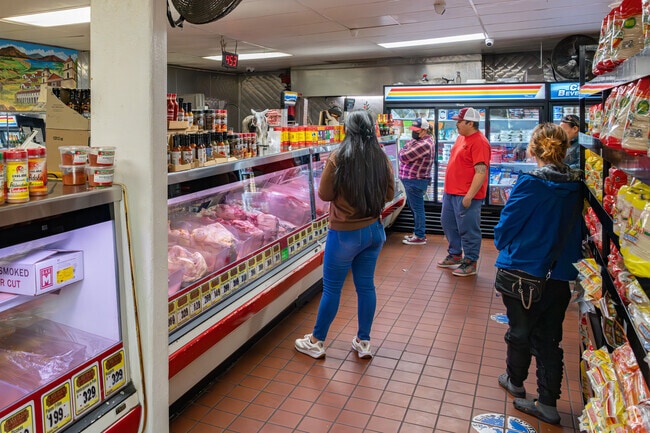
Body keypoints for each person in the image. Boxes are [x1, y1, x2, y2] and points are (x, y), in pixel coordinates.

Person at [494, 123, 583, 425]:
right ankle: (547, 403)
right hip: (559, 272)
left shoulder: (529, 183)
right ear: (565, 149)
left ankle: (515, 380)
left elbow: (507, 225)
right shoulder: (578, 183)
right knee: (549, 338)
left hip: (522, 269)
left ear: (532, 149)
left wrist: (502, 243)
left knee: (519, 331)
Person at [295, 109, 395, 359]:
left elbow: (325, 195)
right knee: (366, 286)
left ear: (347, 130)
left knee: (332, 289)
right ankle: (363, 341)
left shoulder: (339, 156)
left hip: (344, 235)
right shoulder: (380, 156)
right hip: (374, 231)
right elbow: (390, 194)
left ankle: (316, 341)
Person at [438, 107, 490, 276]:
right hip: (451, 192)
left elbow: (481, 172)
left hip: (466, 195)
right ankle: (454, 254)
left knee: (468, 229)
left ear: (470, 123)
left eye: (459, 121)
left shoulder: (479, 142)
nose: (456, 124)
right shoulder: (461, 138)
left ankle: (470, 262)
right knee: (448, 224)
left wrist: (469, 196)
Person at [398, 117, 435, 245]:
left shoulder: (425, 144)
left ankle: (420, 236)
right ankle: (417, 233)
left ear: (424, 130)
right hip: (412, 181)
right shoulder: (418, 141)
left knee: (417, 209)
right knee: (415, 208)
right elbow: (405, 147)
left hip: (415, 180)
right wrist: (404, 149)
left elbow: (403, 155)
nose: (414, 132)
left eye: (417, 130)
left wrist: (403, 151)